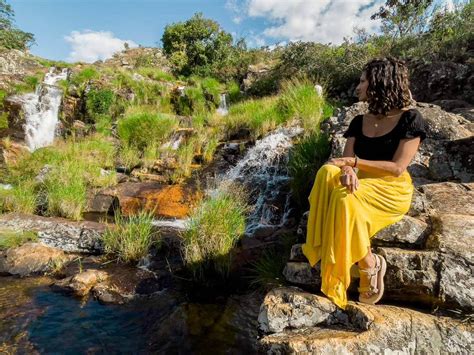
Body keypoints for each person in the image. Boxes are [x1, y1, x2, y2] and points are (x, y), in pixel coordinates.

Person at [301, 57, 428, 310]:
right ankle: (327, 248)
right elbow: (344, 161)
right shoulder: (359, 121)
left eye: (362, 81)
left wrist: (353, 163)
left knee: (343, 198)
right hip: (360, 180)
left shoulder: (411, 119)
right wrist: (348, 168)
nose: (357, 88)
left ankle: (369, 263)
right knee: (327, 171)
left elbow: (397, 168)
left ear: (379, 83)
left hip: (390, 188)